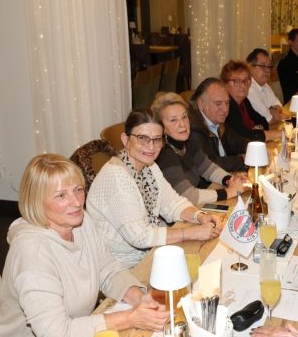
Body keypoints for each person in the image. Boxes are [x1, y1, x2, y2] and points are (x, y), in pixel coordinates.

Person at [0, 154, 169, 337]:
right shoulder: (32, 253)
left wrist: (139, 298)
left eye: (78, 190)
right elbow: (54, 334)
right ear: (36, 201)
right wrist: (130, 318)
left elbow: (107, 268)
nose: (77, 202)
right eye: (61, 196)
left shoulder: (80, 221)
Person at [86, 109, 222, 268]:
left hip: (152, 252)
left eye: (157, 139)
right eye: (142, 138)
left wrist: (200, 216)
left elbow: (173, 203)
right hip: (124, 267)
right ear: (125, 139)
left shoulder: (149, 167)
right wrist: (192, 233)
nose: (151, 147)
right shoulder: (116, 177)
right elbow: (140, 237)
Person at [152, 92, 248, 205]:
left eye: (184, 117)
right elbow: (188, 195)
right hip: (174, 213)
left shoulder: (188, 142)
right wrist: (229, 192)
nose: (182, 124)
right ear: (161, 127)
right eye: (173, 120)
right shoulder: (163, 154)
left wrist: (230, 180)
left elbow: (209, 169)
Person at [187, 77, 249, 172]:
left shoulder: (217, 120)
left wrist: (255, 149)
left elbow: (239, 142)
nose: (225, 109)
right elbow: (209, 164)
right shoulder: (193, 127)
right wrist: (244, 160)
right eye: (218, 103)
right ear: (201, 104)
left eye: (227, 103)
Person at [221, 60, 280, 142]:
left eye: (246, 81)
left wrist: (255, 131)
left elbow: (262, 121)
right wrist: (278, 134)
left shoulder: (244, 101)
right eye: (237, 81)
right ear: (225, 84)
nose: (243, 85)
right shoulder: (227, 107)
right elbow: (243, 136)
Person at [246, 48, 287, 125]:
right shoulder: (248, 89)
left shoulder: (265, 85)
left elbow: (279, 106)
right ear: (250, 68)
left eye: (269, 66)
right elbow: (268, 120)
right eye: (262, 66)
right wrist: (273, 112)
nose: (267, 70)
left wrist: (270, 110)